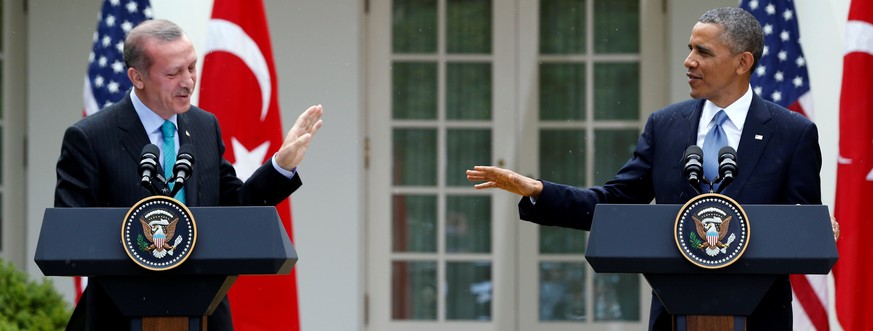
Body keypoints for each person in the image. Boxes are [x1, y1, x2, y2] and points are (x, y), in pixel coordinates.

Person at [467, 7, 836, 330]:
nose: (689, 61)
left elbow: (799, 226)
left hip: (759, 318)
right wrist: (539, 191)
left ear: (742, 63)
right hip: (677, 315)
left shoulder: (792, 133)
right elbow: (614, 202)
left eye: (703, 52)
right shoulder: (666, 125)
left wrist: (817, 229)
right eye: (690, 48)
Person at [54, 19, 323, 330]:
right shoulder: (90, 137)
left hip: (204, 311)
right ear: (136, 77)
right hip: (119, 314)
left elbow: (235, 207)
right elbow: (73, 235)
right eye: (173, 73)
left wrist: (280, 166)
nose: (188, 81)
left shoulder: (204, 126)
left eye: (192, 68)